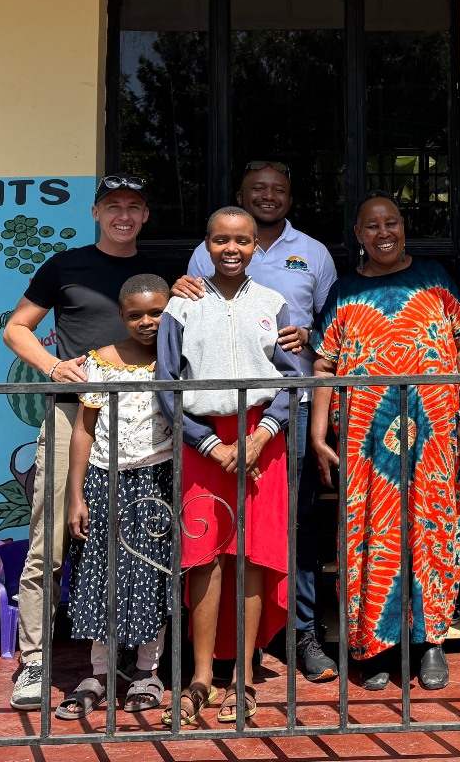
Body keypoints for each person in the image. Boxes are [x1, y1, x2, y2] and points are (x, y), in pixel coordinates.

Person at [174, 160, 338, 682]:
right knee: (212, 537)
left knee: (291, 526)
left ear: (290, 196)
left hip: (282, 415)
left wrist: (311, 337)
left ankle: (298, 634)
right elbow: (185, 321)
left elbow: (333, 327)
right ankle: (222, 656)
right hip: (210, 426)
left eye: (278, 189)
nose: (269, 196)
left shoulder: (313, 253)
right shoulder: (200, 264)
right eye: (258, 189)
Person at [309, 191, 460, 692]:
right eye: (372, 226)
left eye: (392, 223)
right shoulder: (344, 291)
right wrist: (317, 434)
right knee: (370, 533)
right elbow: (324, 365)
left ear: (404, 227)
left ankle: (430, 644)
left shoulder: (433, 278)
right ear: (358, 235)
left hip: (433, 434)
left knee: (431, 528)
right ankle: (375, 646)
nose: (384, 233)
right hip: (365, 441)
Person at [2, 174, 152, 711]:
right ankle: (34, 661)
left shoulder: (159, 272)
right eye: (113, 206)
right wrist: (52, 366)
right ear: (95, 213)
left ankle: (139, 661)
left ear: (145, 216)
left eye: (133, 207)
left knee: (141, 538)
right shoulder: (65, 265)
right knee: (50, 541)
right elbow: (16, 328)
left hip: (144, 422)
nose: (123, 216)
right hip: (71, 415)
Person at [156, 206, 300, 724]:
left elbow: (291, 380)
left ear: (256, 246)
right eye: (221, 240)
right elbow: (167, 382)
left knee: (255, 555)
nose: (232, 249)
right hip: (202, 440)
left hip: (264, 438)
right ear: (206, 245)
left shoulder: (273, 303)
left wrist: (261, 436)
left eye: (242, 240)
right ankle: (200, 677)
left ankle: (244, 676)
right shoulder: (181, 306)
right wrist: (207, 444)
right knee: (205, 555)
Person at [58, 274, 174, 718]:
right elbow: (84, 431)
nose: (147, 322)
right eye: (135, 315)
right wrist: (76, 496)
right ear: (121, 316)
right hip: (104, 481)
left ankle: (147, 671)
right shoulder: (99, 362)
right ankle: (99, 673)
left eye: (156, 313)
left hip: (157, 480)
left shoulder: (176, 360)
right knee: (99, 574)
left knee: (151, 575)